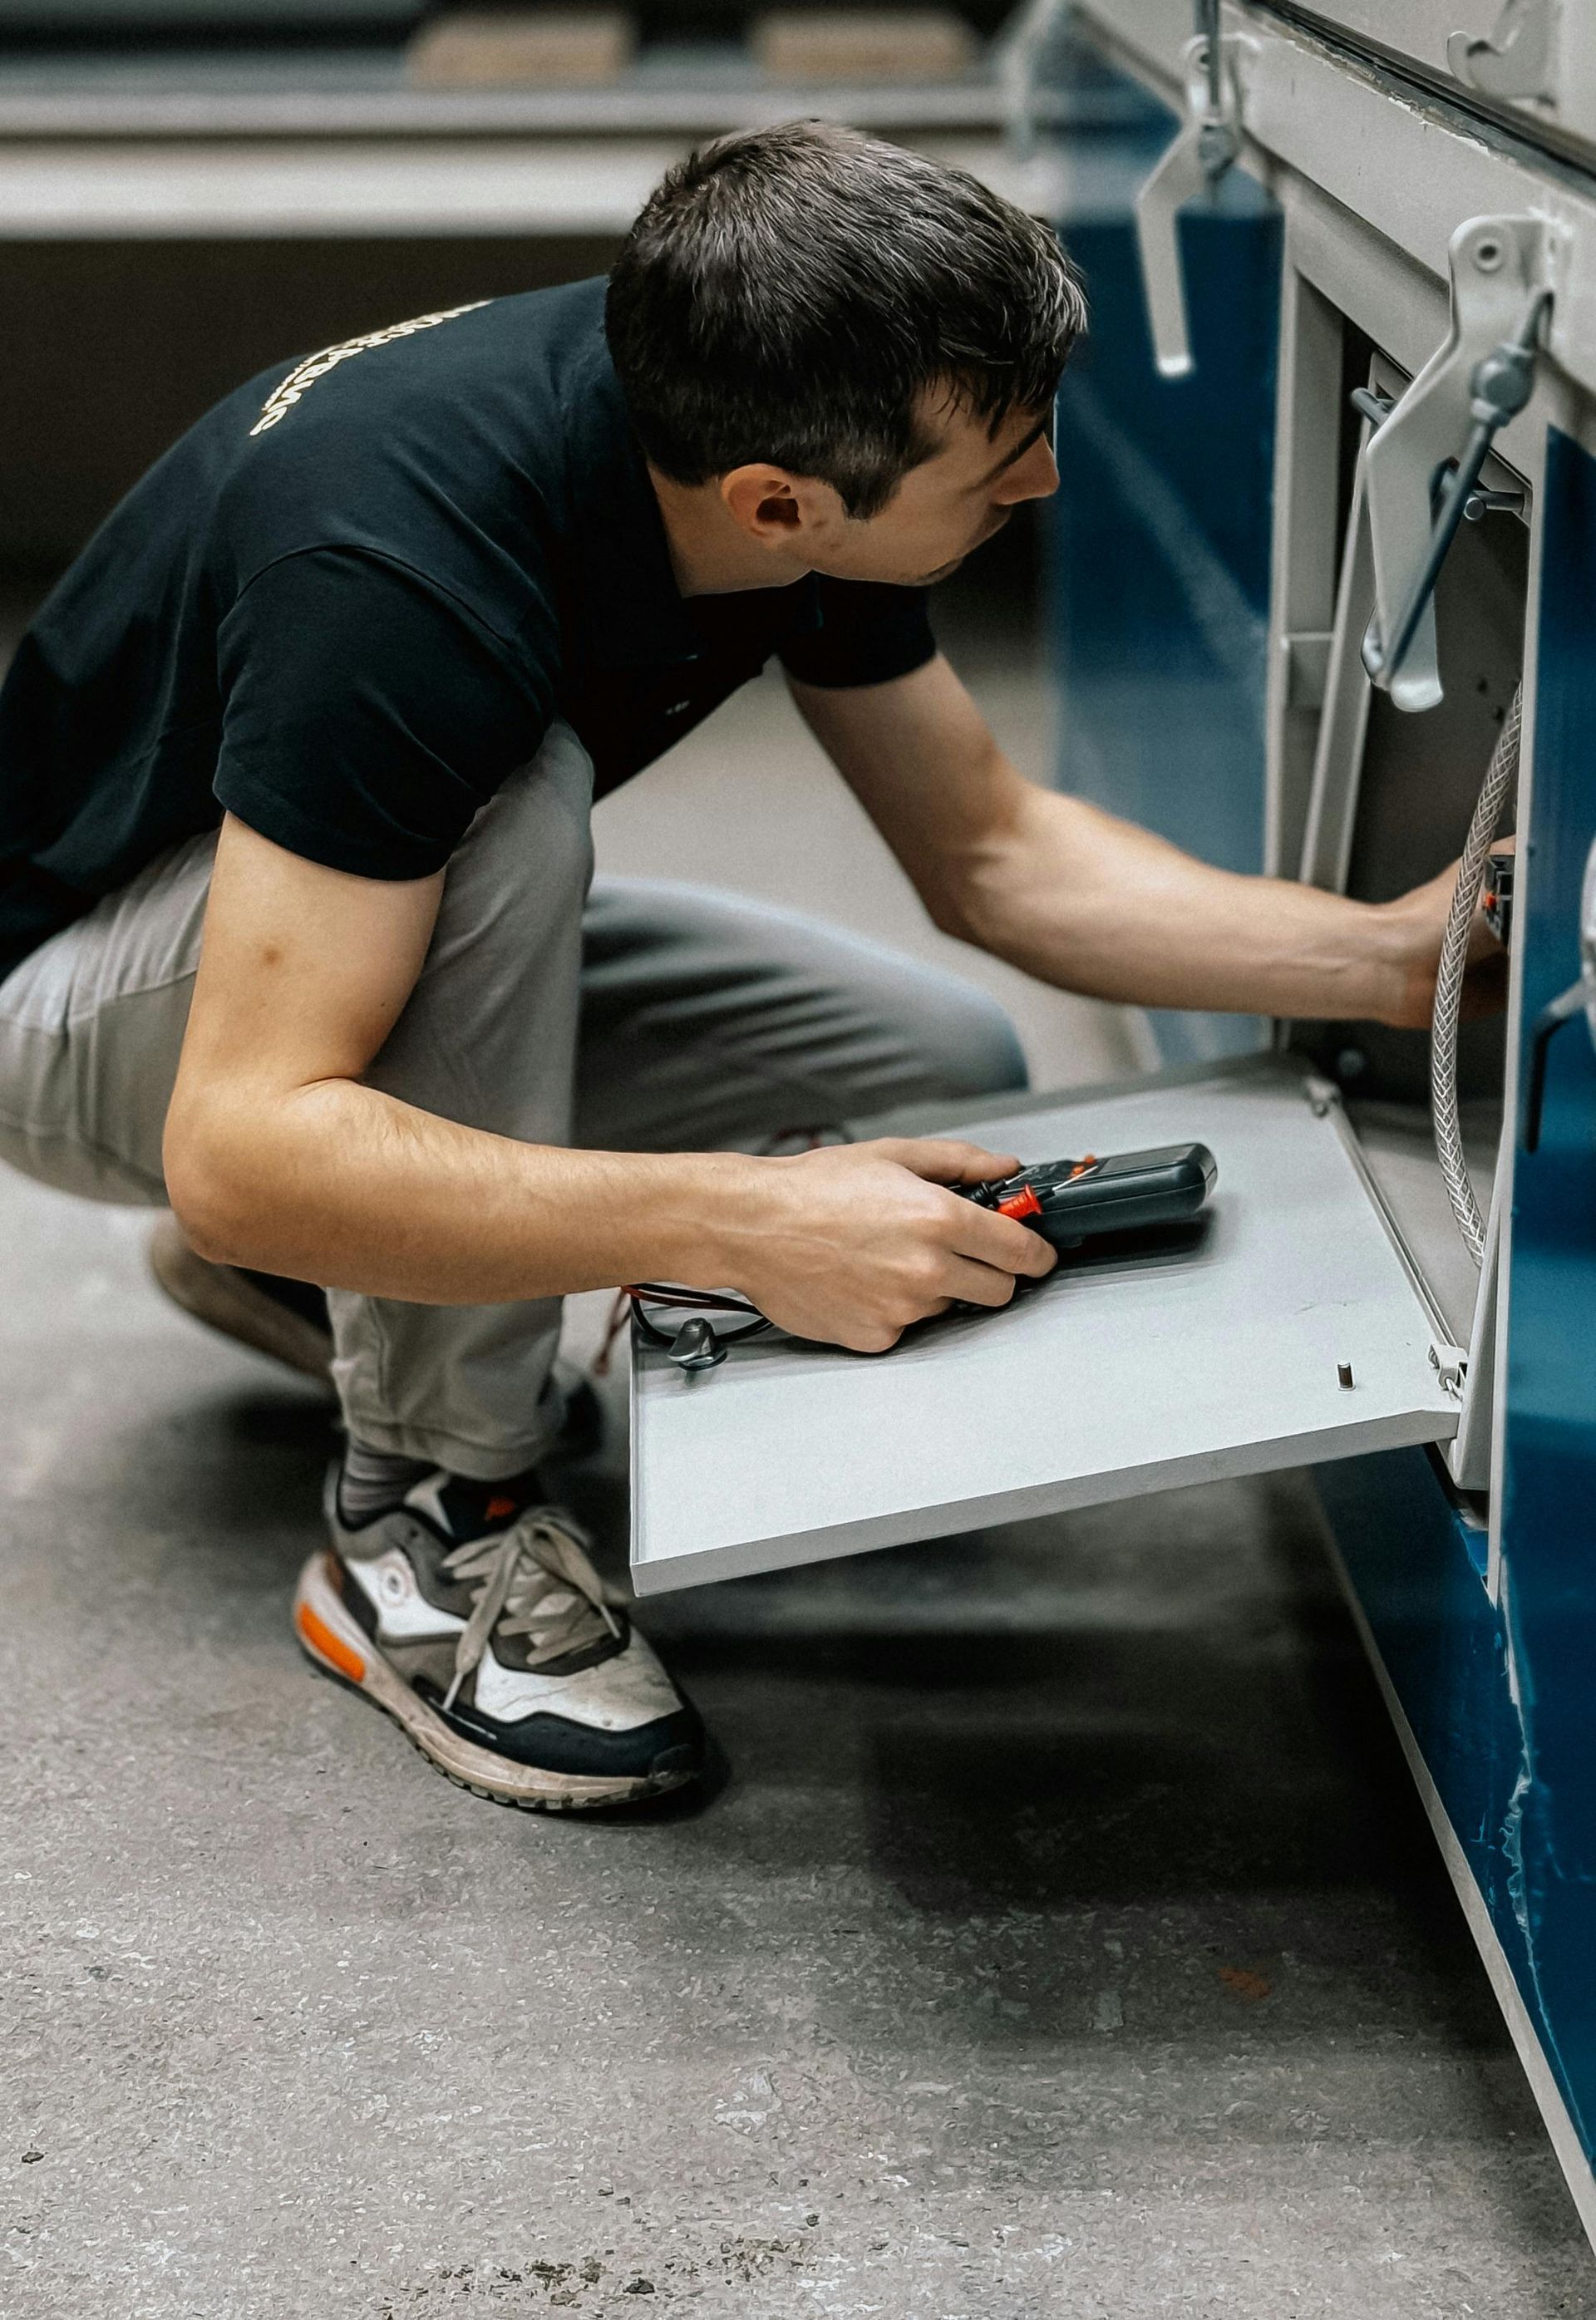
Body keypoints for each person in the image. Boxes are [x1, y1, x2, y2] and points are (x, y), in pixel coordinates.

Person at [0, 121, 1486, 1817]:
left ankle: (360, 1285)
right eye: (998, 464)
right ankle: (424, 1522)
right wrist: (743, 1224)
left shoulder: (766, 413)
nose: (1045, 481)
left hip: (302, 937)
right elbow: (244, 1147)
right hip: (73, 1008)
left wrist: (1393, 963)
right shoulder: (401, 571)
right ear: (778, 505)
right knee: (512, 813)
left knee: (925, 1056)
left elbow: (993, 853)